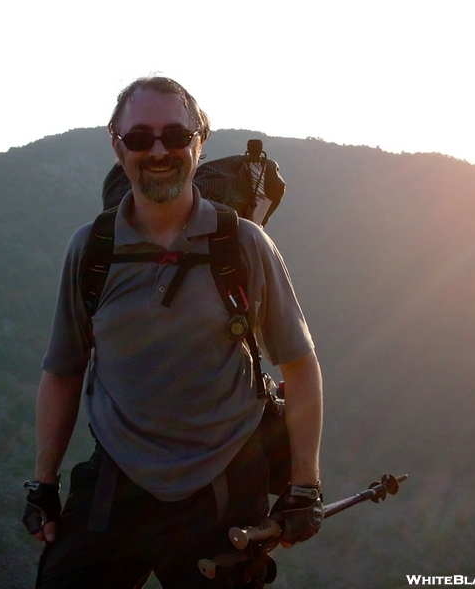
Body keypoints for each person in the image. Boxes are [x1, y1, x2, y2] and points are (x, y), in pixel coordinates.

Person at [23, 76, 323, 588]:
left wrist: (305, 485)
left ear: (199, 141)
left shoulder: (242, 245)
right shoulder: (92, 250)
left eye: (175, 136)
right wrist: (44, 484)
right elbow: (63, 371)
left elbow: (298, 364)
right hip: (118, 478)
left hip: (225, 482)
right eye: (139, 138)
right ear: (117, 147)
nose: (157, 150)